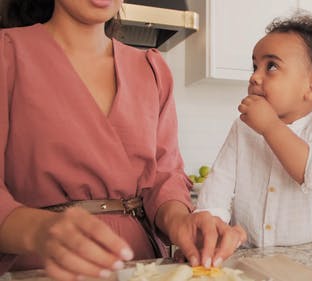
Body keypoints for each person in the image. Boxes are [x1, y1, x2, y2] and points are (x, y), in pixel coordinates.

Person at [0, 0, 246, 279]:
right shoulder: (7, 54)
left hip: (144, 266)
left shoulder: (152, 69)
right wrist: (39, 231)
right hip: (43, 269)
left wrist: (180, 221)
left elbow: (165, 178)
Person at [196, 13, 312, 247]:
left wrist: (270, 126)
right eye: (254, 65)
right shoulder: (243, 128)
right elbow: (217, 188)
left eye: (271, 66)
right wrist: (210, 227)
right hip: (251, 254)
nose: (254, 76)